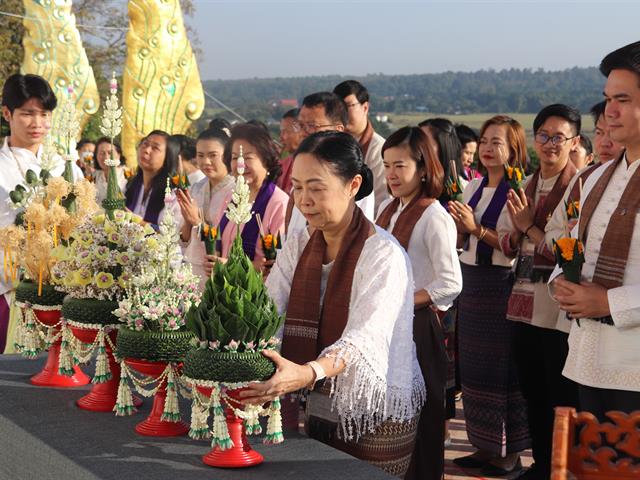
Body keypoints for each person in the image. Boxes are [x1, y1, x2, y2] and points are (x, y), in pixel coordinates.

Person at [240, 131, 425, 478]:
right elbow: (269, 308)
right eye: (297, 187)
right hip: (318, 397)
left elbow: (365, 338)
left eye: (316, 187)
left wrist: (307, 372)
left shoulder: (383, 254)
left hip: (374, 407)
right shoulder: (300, 242)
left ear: (353, 184)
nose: (304, 199)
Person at [552, 40, 640, 420]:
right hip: (588, 353)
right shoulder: (596, 177)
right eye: (607, 99)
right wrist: (562, 281)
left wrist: (608, 303)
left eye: (623, 99)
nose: (611, 112)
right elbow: (572, 246)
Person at [499, 104, 581, 480]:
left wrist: (529, 228)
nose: (550, 144)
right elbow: (508, 244)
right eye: (544, 136)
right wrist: (519, 231)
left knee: (559, 397)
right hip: (523, 303)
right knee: (531, 392)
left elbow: (571, 251)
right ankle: (541, 465)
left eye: (559, 138)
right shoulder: (527, 183)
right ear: (535, 140)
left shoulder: (580, 186)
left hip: (558, 310)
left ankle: (560, 469)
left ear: (573, 142)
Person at [376, 126, 462, 480]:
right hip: (388, 327)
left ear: (424, 168)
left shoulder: (434, 216)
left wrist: (402, 300)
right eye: (386, 166)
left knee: (421, 419)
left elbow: (450, 283)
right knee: (389, 419)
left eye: (401, 166)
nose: (392, 175)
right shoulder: (386, 208)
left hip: (418, 326)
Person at [449, 116, 530, 476]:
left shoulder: (520, 189)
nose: (486, 147)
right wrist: (458, 228)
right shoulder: (472, 187)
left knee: (503, 370)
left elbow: (513, 248)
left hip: (501, 285)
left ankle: (509, 453)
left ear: (514, 149)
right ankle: (482, 446)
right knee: (475, 370)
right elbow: (461, 241)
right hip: (472, 282)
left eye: (496, 142)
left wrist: (475, 228)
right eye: (484, 141)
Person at [0, 73, 82, 353]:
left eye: (45, 114)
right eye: (27, 114)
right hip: (7, 287)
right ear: (7, 113)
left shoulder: (65, 167)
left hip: (60, 289)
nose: (38, 123)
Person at [286, 92, 375, 235]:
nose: (302, 133)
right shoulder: (302, 180)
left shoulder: (348, 179)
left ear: (338, 130)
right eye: (300, 125)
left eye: (311, 125)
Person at [545, 101, 624, 245]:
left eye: (613, 133)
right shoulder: (584, 177)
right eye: (599, 132)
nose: (604, 143)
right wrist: (572, 235)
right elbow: (552, 231)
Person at [213, 124, 289, 273]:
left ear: (266, 160)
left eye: (248, 157)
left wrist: (228, 265)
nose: (240, 164)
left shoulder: (278, 202)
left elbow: (274, 262)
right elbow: (218, 240)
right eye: (235, 158)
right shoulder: (231, 196)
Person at [176, 128, 235, 289]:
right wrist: (189, 220)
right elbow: (185, 238)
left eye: (212, 155)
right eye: (200, 155)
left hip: (221, 270)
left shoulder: (237, 191)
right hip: (194, 268)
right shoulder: (196, 188)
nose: (206, 161)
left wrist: (197, 221)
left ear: (227, 155)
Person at [334, 80, 389, 213]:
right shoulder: (333, 144)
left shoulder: (379, 149)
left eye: (348, 106)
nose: (343, 113)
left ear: (365, 107)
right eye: (337, 107)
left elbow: (380, 200)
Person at [124, 130, 180, 228]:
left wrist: (137, 221)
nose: (147, 150)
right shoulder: (133, 184)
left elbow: (172, 235)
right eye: (145, 144)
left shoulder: (172, 194)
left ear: (167, 157)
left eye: (155, 148)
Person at [93, 137, 127, 204]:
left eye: (110, 153)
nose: (106, 157)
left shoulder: (128, 176)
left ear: (119, 155)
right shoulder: (93, 176)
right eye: (102, 153)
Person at [277, 108, 303, 193]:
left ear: (301, 131)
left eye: (285, 132)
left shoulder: (315, 165)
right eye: (281, 132)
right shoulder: (282, 164)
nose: (281, 138)